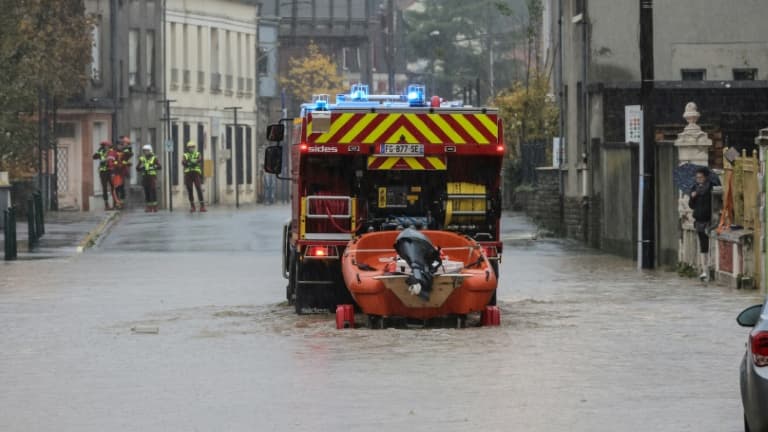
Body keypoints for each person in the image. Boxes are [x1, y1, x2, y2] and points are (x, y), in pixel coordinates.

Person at [689, 166, 713, 281]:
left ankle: (711, 268)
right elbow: (691, 205)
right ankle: (704, 270)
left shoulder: (711, 187)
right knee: (703, 246)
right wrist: (693, 197)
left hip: (710, 221)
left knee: (711, 245)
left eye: (701, 177)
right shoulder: (694, 188)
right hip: (699, 221)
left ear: (706, 177)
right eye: (697, 177)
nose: (698, 179)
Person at [182, 141, 206, 212]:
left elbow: (199, 160)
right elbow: (184, 162)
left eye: (193, 147)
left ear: (194, 148)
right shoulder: (185, 155)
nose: (191, 149)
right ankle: (192, 206)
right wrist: (192, 162)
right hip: (188, 174)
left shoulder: (198, 154)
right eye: (190, 147)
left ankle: (202, 206)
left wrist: (190, 162)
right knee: (190, 190)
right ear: (188, 148)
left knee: (198, 188)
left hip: (196, 174)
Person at [137, 144, 161, 212]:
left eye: (147, 151)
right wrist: (141, 168)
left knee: (152, 191)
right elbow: (137, 168)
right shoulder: (142, 158)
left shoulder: (154, 158)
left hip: (152, 176)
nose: (145, 152)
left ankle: (155, 206)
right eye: (144, 151)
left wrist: (152, 167)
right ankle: (148, 207)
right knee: (146, 191)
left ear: (150, 151)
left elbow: (159, 167)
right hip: (145, 176)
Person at [92, 140, 113, 210]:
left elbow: (114, 159)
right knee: (104, 187)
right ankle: (106, 204)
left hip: (110, 171)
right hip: (103, 171)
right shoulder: (101, 152)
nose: (105, 147)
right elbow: (94, 157)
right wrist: (99, 151)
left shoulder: (111, 152)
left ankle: (115, 202)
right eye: (103, 146)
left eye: (106, 146)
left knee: (113, 186)